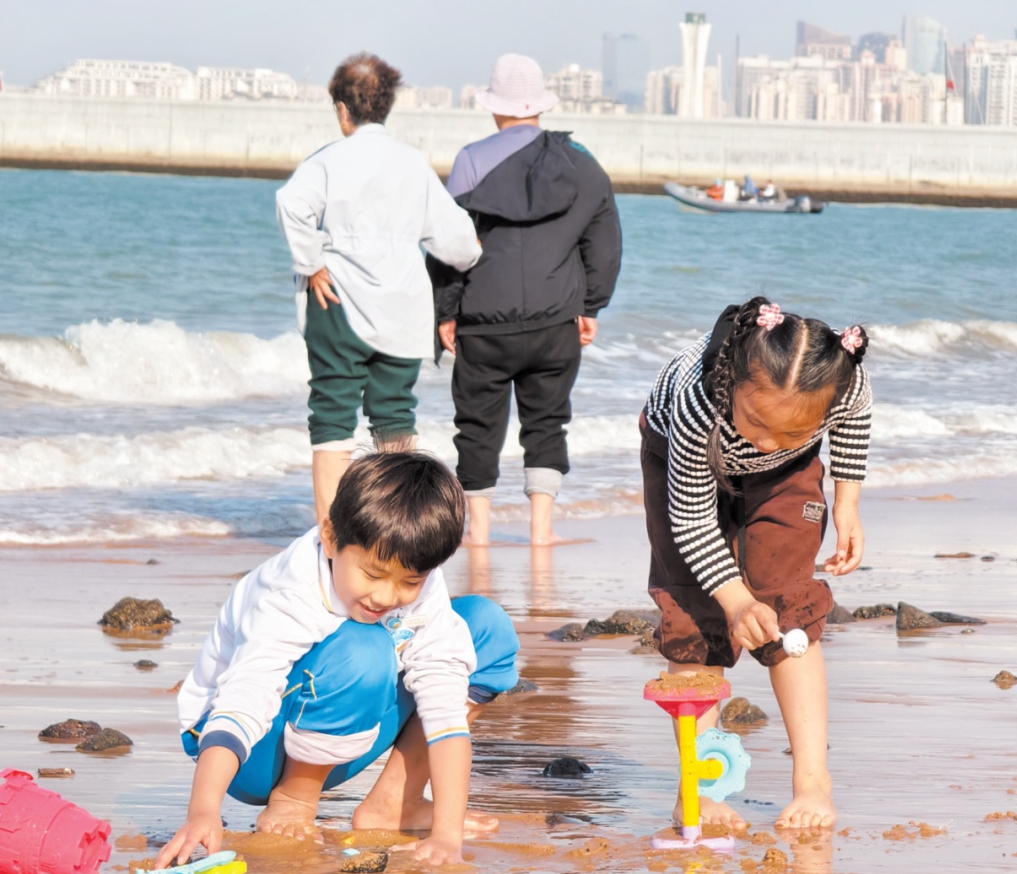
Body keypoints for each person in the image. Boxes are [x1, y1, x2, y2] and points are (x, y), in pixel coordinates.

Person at [155, 453, 519, 871]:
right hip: (247, 754)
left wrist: (447, 835)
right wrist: (203, 809)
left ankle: (395, 801)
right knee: (363, 648)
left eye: (410, 581)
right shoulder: (290, 591)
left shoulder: (419, 586)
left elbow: (446, 711)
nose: (386, 596)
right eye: (373, 574)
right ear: (330, 537)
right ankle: (294, 799)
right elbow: (246, 696)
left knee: (485, 627)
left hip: (337, 737)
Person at [641, 296, 871, 833]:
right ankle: (696, 792)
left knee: (787, 603)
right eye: (758, 422)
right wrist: (734, 598)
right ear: (735, 389)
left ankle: (813, 779)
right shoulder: (699, 403)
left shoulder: (840, 384)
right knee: (696, 615)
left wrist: (847, 503)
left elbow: (855, 420)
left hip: (786, 478)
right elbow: (692, 521)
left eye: (790, 431)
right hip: (680, 458)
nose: (765, 441)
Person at [277, 53, 482, 524]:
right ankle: (397, 529)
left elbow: (291, 204)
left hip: (338, 303)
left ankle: (333, 540)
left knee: (331, 418)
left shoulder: (327, 160)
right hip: (403, 310)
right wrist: (473, 249)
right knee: (394, 418)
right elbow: (459, 245)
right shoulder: (412, 164)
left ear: (342, 110)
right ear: (385, 107)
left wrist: (311, 263)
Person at [432, 53, 622, 546]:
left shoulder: (472, 160)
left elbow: (451, 244)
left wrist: (445, 311)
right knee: (548, 422)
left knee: (476, 424)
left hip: (482, 321)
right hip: (555, 319)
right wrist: (591, 306)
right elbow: (603, 243)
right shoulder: (583, 166)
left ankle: (478, 533)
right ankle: (541, 531)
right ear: (540, 107)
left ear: (495, 108)